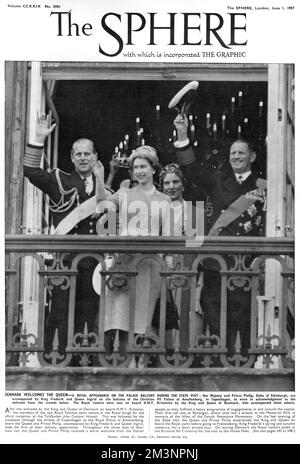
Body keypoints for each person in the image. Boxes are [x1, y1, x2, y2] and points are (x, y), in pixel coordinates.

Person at [173, 114, 266, 358]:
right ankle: (216, 362)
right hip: (216, 261)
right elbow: (191, 171)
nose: (236, 157)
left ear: (252, 157)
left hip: (246, 262)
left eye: (241, 153)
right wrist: (183, 135)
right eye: (233, 153)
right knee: (213, 312)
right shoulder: (217, 181)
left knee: (242, 315)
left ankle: (242, 362)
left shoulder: (264, 186)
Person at [23, 113, 111, 358]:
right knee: (61, 312)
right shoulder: (58, 180)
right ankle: (59, 359)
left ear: (95, 157)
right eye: (78, 154)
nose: (83, 158)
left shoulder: (106, 188)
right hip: (65, 261)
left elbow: (109, 220)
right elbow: (30, 171)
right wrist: (38, 140)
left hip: (94, 261)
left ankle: (86, 359)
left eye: (87, 153)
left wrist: (102, 180)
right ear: (72, 157)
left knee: (89, 313)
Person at [94, 145, 171, 367]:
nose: (138, 171)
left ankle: (142, 366)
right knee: (121, 317)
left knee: (143, 319)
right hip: (124, 262)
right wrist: (100, 180)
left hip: (150, 263)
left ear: (153, 169)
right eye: (135, 167)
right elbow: (103, 205)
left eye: (143, 166)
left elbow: (167, 238)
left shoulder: (164, 200)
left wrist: (167, 263)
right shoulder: (124, 193)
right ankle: (124, 365)